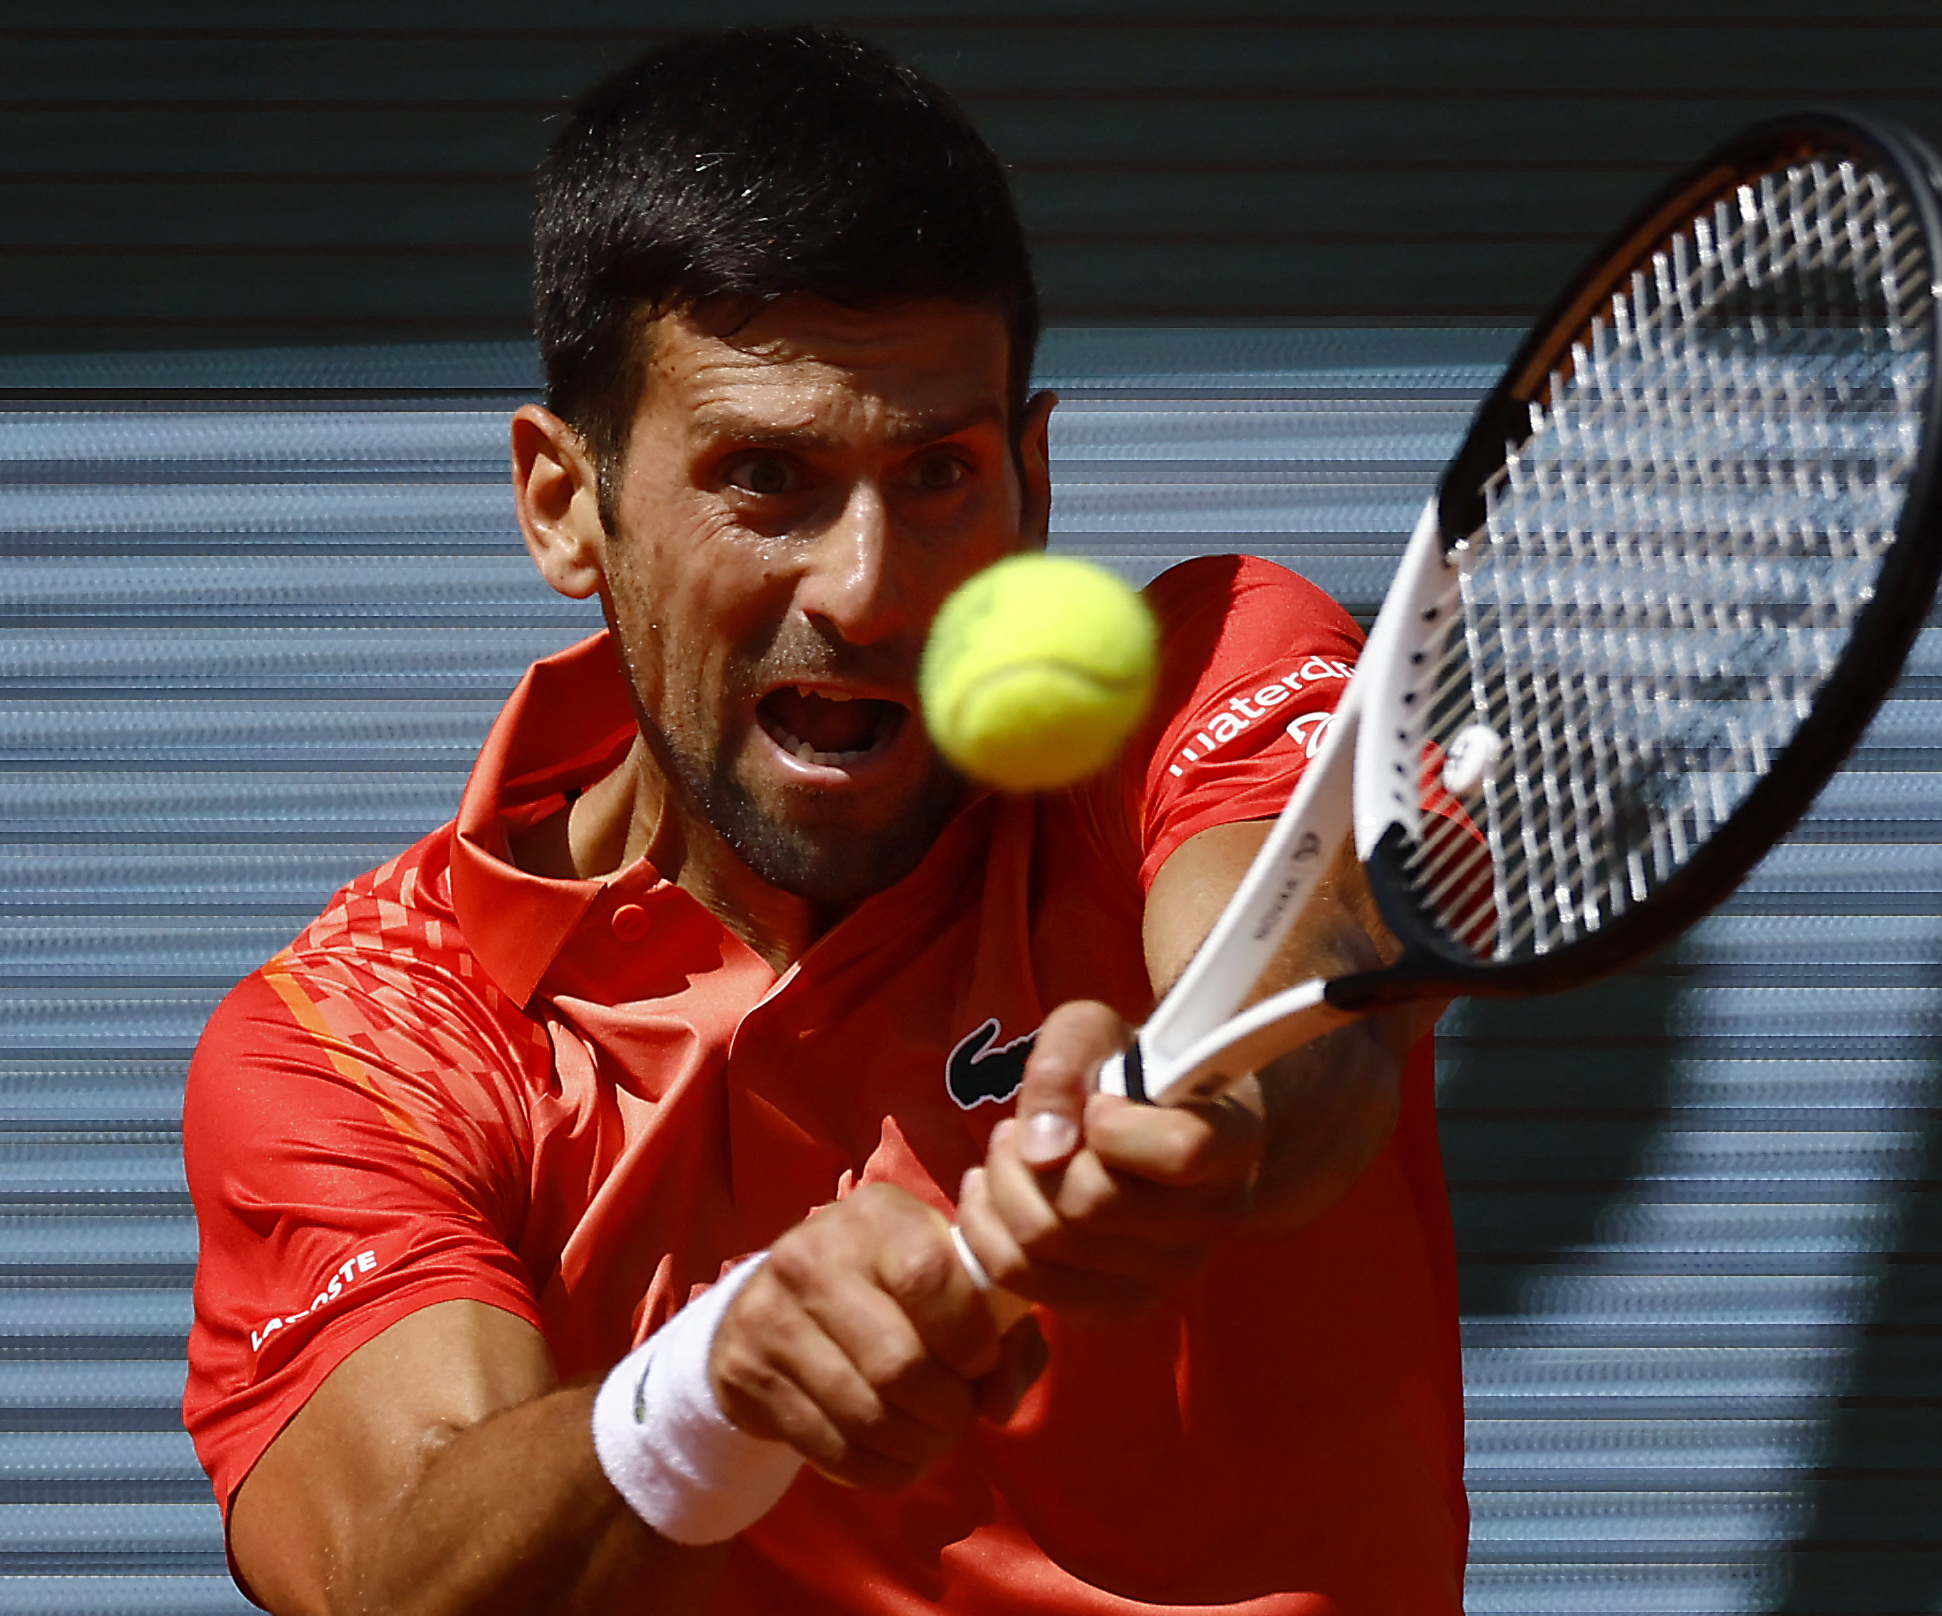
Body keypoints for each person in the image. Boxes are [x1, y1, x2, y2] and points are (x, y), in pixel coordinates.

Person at [182, 26, 1467, 1615]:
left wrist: (1199, 1114)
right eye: (767, 477)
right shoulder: (356, 1049)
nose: (866, 591)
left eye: (935, 473)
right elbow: (397, 1569)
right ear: (562, 505)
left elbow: (1301, 997)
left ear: (1033, 481)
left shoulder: (1214, 670)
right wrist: (710, 1389)